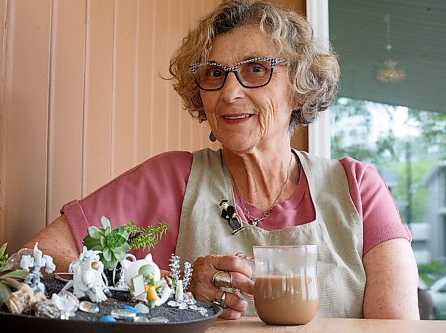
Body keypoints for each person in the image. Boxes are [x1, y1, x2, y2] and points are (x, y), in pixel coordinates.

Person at [26, 0, 419, 320]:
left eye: (256, 69)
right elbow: (35, 259)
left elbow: (398, 329)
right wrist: (170, 287)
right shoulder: (171, 179)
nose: (229, 91)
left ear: (299, 88)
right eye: (214, 74)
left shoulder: (356, 189)